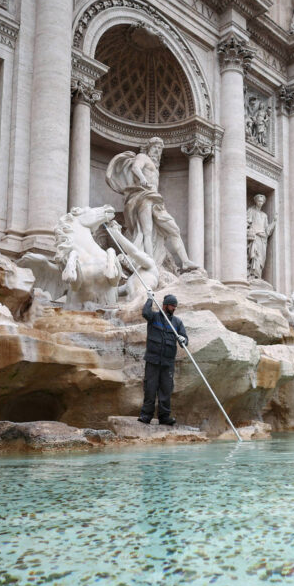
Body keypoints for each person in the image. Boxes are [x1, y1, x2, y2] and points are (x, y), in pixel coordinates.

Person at [106, 137, 199, 273]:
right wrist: (142, 178)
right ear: (149, 148)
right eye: (155, 147)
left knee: (174, 229)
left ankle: (185, 261)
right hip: (143, 196)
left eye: (160, 149)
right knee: (147, 232)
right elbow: (135, 167)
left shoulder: (155, 166)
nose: (158, 151)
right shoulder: (142, 156)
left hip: (155, 200)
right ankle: (150, 263)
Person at [140, 293, 188, 426]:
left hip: (167, 363)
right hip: (153, 360)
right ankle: (146, 415)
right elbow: (145, 313)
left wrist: (183, 339)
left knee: (166, 390)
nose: (174, 308)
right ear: (165, 305)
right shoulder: (154, 317)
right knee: (150, 388)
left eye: (175, 306)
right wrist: (149, 299)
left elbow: (185, 340)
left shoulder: (177, 323)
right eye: (172, 305)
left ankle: (164, 417)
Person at [246, 194, 276, 280]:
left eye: (262, 201)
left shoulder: (264, 215)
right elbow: (247, 223)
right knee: (255, 256)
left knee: (261, 259)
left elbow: (267, 230)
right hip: (255, 237)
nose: (260, 203)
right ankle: (252, 275)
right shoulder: (251, 211)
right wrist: (250, 232)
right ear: (256, 201)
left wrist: (274, 222)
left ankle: (258, 276)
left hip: (262, 239)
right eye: (259, 201)